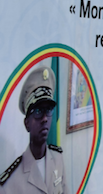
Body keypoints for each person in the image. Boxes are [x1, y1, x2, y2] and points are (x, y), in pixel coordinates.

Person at [0, 66, 68, 194]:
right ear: (27, 123)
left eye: (48, 110)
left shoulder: (58, 158)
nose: (44, 119)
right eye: (37, 111)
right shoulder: (9, 183)